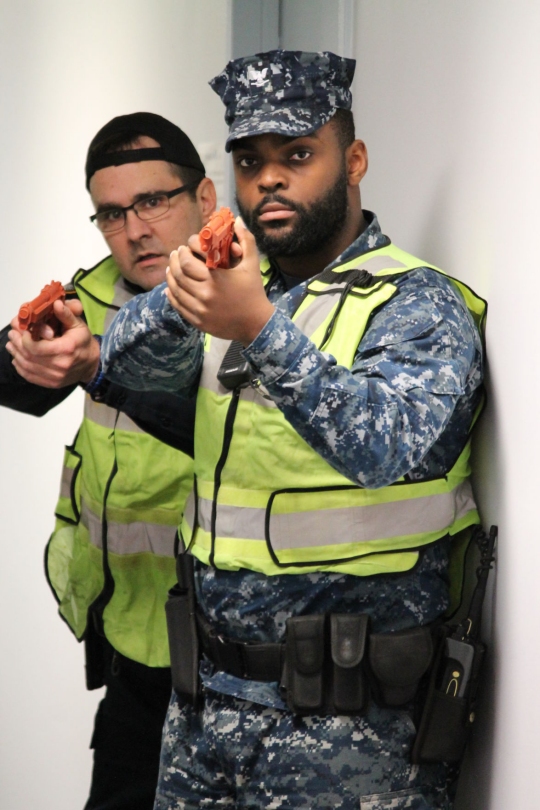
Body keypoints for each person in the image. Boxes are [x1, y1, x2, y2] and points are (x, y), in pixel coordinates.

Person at [100, 52, 486, 810]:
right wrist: (189, 293)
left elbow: (388, 448)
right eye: (251, 162)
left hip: (352, 735)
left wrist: (260, 327)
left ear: (355, 160)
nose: (268, 180)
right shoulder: (232, 284)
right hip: (204, 711)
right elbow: (126, 368)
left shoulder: (417, 303)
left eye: (298, 155)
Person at [1, 112, 217, 810]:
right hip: (131, 644)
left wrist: (101, 367)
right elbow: (17, 384)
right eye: (113, 213)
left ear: (204, 200)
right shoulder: (89, 297)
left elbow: (209, 423)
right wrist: (25, 347)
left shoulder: (250, 301)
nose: (135, 229)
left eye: (154, 202)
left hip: (235, 661)